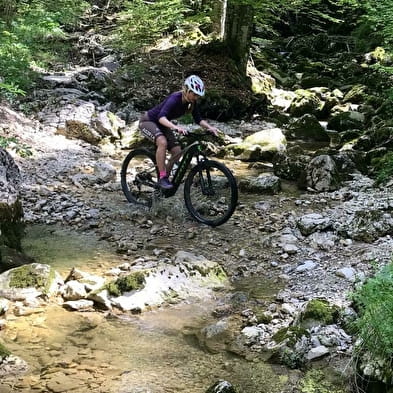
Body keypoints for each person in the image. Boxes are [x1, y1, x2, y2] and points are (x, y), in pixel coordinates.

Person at [138, 75, 219, 189]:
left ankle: (165, 178)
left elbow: (198, 119)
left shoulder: (192, 102)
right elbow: (161, 117)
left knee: (177, 151)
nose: (196, 97)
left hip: (162, 124)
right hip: (148, 121)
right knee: (162, 142)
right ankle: (162, 178)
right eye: (194, 94)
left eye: (198, 96)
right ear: (187, 90)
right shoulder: (175, 98)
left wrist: (210, 128)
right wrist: (176, 128)